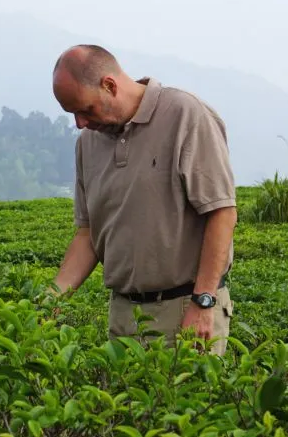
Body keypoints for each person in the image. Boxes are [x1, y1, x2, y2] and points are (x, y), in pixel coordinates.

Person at [49, 44, 238, 355]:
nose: (80, 123)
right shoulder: (88, 144)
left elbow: (222, 212)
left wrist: (203, 301)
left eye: (85, 110)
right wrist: (49, 299)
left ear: (109, 86)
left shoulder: (184, 115)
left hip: (185, 310)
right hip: (123, 317)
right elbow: (89, 234)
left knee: (188, 404)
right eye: (72, 114)